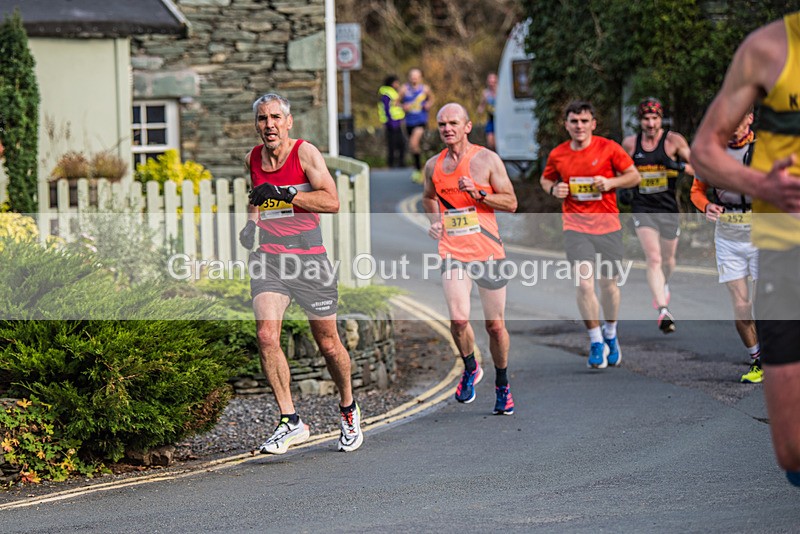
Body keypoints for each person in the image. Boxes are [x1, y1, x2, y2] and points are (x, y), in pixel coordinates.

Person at [691, 12, 800, 486]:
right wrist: (762, 187)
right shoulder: (769, 48)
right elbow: (704, 152)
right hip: (781, 244)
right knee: (792, 447)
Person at [239, 93, 363, 455]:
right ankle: (290, 420)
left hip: (309, 259)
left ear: (289, 121)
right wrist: (251, 222)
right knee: (265, 336)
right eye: (263, 119)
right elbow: (257, 193)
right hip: (271, 260)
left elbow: (332, 202)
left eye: (276, 117)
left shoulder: (305, 154)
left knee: (328, 344)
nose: (269, 125)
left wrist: (285, 192)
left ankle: (348, 407)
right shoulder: (253, 157)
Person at [422, 102, 518, 414]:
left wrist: (479, 194)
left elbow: (511, 202)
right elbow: (427, 197)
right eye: (442, 124)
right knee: (459, 319)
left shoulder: (487, 160)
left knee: (494, 326)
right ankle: (470, 366)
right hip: (453, 252)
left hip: (488, 252)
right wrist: (434, 220)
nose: (447, 129)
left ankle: (502, 384)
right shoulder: (432, 166)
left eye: (453, 123)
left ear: (467, 126)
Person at [540, 101, 641, 369]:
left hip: (608, 227)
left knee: (609, 286)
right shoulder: (558, 154)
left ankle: (610, 333)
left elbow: (634, 176)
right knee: (585, 284)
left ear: (593, 124)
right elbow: (546, 179)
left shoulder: (609, 148)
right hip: (575, 226)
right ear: (566, 124)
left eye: (584, 121)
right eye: (574, 121)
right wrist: (554, 190)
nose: (579, 126)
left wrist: (612, 183)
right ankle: (595, 340)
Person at [691, 109, 762, 384]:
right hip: (728, 236)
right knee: (741, 304)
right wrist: (706, 205)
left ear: (749, 119)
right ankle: (758, 360)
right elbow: (696, 190)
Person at [621, 97, 694, 334]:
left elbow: (700, 167)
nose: (650, 123)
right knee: (653, 258)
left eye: (654, 118)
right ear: (639, 121)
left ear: (661, 119)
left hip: (668, 208)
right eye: (646, 119)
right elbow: (621, 170)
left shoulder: (674, 141)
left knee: (668, 260)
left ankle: (664, 283)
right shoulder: (631, 144)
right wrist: (623, 189)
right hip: (643, 207)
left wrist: (679, 167)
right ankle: (663, 309)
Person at [399, 68, 435, 183]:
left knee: (413, 143)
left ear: (420, 77)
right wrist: (403, 106)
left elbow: (432, 98)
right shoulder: (404, 89)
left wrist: (428, 104)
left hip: (421, 121)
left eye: (416, 76)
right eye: (412, 76)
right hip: (409, 122)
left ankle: (418, 169)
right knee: (414, 147)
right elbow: (396, 102)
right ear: (409, 77)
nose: (414, 78)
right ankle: (420, 168)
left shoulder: (424, 89)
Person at [377, 75, 406, 168]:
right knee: (393, 144)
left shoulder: (392, 92)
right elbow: (386, 108)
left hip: (396, 121)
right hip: (392, 122)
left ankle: (399, 162)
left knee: (400, 143)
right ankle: (393, 163)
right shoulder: (387, 93)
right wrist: (390, 121)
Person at [477, 72, 498, 151]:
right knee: (490, 143)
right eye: (490, 82)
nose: (491, 84)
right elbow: (482, 104)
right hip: (491, 118)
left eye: (493, 82)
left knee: (497, 142)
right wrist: (480, 110)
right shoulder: (486, 93)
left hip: (499, 119)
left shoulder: (500, 91)